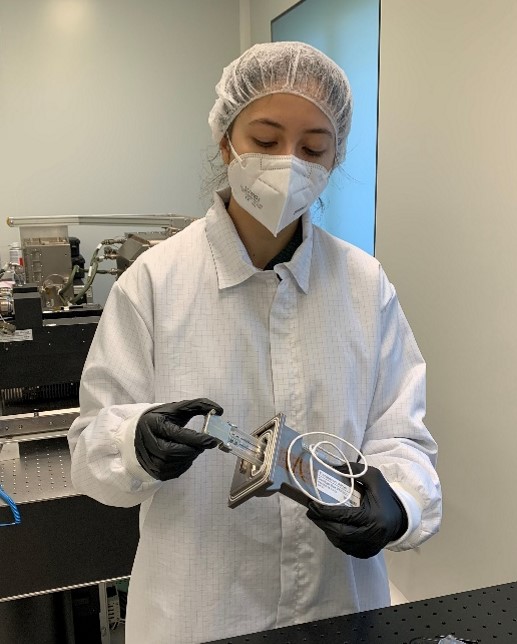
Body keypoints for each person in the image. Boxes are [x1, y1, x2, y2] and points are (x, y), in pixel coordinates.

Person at [68, 41, 442, 644]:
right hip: (199, 613)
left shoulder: (364, 286)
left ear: (334, 156)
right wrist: (134, 441)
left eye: (313, 148)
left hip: (339, 607)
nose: (288, 163)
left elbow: (403, 438)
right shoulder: (156, 283)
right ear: (226, 141)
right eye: (266, 141)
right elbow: (90, 449)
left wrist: (397, 504)